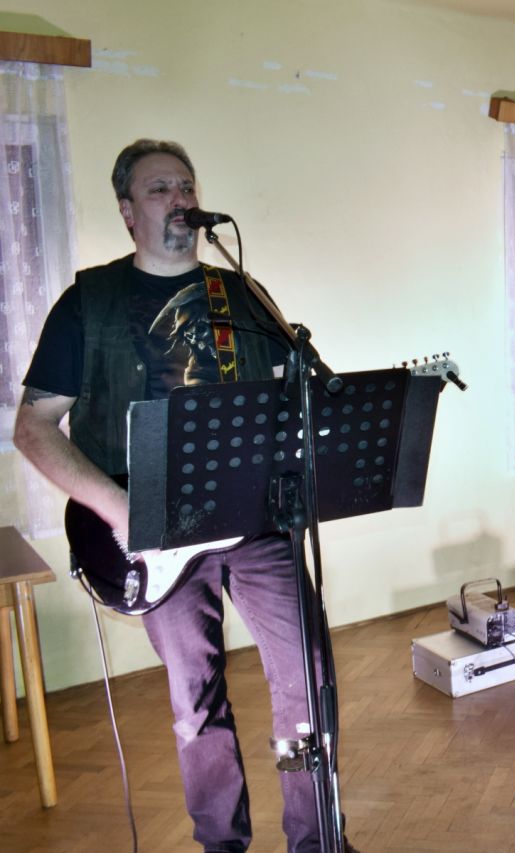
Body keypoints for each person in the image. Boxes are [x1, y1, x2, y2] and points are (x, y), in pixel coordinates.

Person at [14, 139, 336, 852]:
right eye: (159, 189)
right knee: (197, 697)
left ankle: (317, 840)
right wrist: (121, 511)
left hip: (252, 520)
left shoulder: (241, 295)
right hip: (150, 530)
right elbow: (33, 429)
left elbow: (288, 397)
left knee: (308, 678)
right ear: (128, 212)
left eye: (186, 186)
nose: (180, 199)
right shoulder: (89, 303)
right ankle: (221, 843)